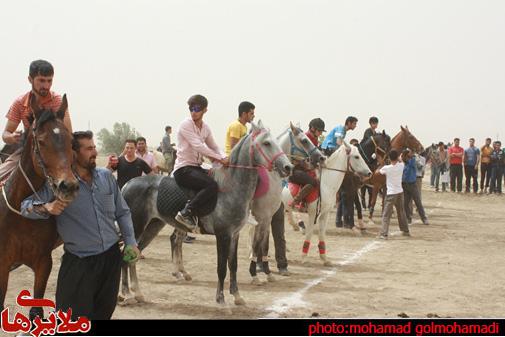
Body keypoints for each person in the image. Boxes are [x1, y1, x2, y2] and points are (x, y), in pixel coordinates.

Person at [20, 131, 140, 320]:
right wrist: (47, 207)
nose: (95, 151)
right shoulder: (59, 184)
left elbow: (123, 212)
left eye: (94, 147)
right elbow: (24, 206)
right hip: (79, 265)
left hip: (110, 259)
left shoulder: (106, 177)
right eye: (89, 148)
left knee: (103, 313)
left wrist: (131, 242)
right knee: (71, 322)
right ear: (74, 154)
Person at [0, 60, 72, 180]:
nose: (46, 85)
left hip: (56, 151)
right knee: (3, 173)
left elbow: (68, 132)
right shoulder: (20, 103)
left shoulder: (57, 101)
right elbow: (5, 134)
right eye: (41, 80)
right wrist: (11, 137)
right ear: (30, 79)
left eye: (49, 80)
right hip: (28, 150)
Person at [173, 94, 228, 232]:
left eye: (197, 108)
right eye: (191, 108)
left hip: (196, 167)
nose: (193, 112)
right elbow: (199, 146)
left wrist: (225, 157)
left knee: (219, 180)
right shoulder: (186, 124)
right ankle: (187, 212)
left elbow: (214, 146)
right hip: (183, 169)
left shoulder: (206, 128)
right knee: (211, 185)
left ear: (205, 110)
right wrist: (219, 158)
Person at [289, 118, 325, 206]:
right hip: (296, 168)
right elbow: (300, 159)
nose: (321, 133)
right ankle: (296, 201)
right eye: (320, 131)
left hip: (306, 168)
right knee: (313, 182)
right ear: (313, 128)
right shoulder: (305, 139)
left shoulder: (315, 140)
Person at [378, 149, 410, 239]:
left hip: (391, 193)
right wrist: (399, 158)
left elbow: (380, 171)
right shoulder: (401, 166)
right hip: (400, 192)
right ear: (397, 157)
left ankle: (384, 233)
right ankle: (405, 230)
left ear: (389, 158)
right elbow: (401, 161)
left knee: (386, 214)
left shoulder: (387, 168)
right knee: (401, 212)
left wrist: (381, 161)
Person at [402, 149, 429, 225]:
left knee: (418, 202)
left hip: (412, 185)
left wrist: (412, 155)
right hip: (405, 185)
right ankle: (408, 218)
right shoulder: (403, 164)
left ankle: (424, 218)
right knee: (405, 204)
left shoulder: (412, 161)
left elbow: (415, 161)